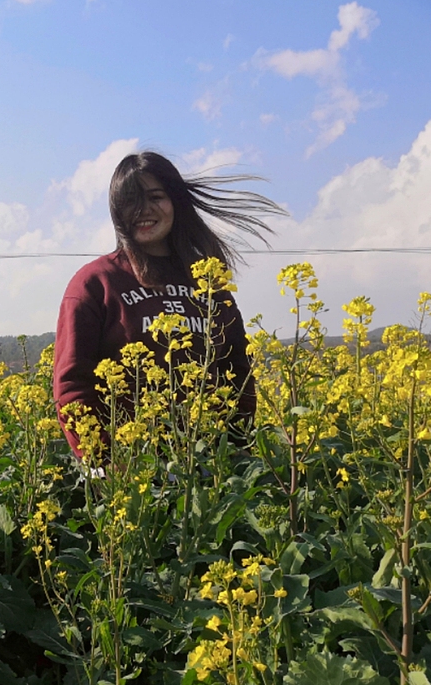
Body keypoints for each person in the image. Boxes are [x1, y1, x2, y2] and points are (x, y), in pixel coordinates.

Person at [52, 151, 286, 459]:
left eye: (155, 197)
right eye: (131, 200)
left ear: (176, 201)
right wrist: (103, 464)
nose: (143, 210)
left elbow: (238, 370)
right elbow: (72, 386)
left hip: (211, 463)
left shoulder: (209, 280)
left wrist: (237, 447)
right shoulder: (95, 283)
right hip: (132, 467)